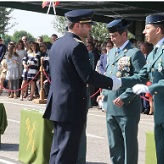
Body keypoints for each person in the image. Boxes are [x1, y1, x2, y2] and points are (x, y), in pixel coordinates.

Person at [42, 10, 121, 164]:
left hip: (58, 104)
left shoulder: (57, 43)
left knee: (58, 149)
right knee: (68, 152)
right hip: (71, 106)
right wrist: (114, 83)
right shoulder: (77, 46)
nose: (90, 28)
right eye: (87, 25)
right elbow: (88, 76)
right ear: (78, 26)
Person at [118, 15, 164, 164]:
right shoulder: (153, 54)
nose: (144, 32)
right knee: (161, 153)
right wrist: (117, 82)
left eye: (147, 28)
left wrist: (150, 88)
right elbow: (140, 77)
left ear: (158, 30)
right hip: (161, 109)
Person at [98, 18, 146, 164]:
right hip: (111, 106)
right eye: (111, 36)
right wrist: (104, 94)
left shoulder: (134, 53)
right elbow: (109, 76)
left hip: (126, 107)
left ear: (124, 34)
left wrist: (126, 97)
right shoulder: (111, 53)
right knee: (114, 144)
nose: (112, 39)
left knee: (128, 144)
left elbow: (141, 78)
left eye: (114, 36)